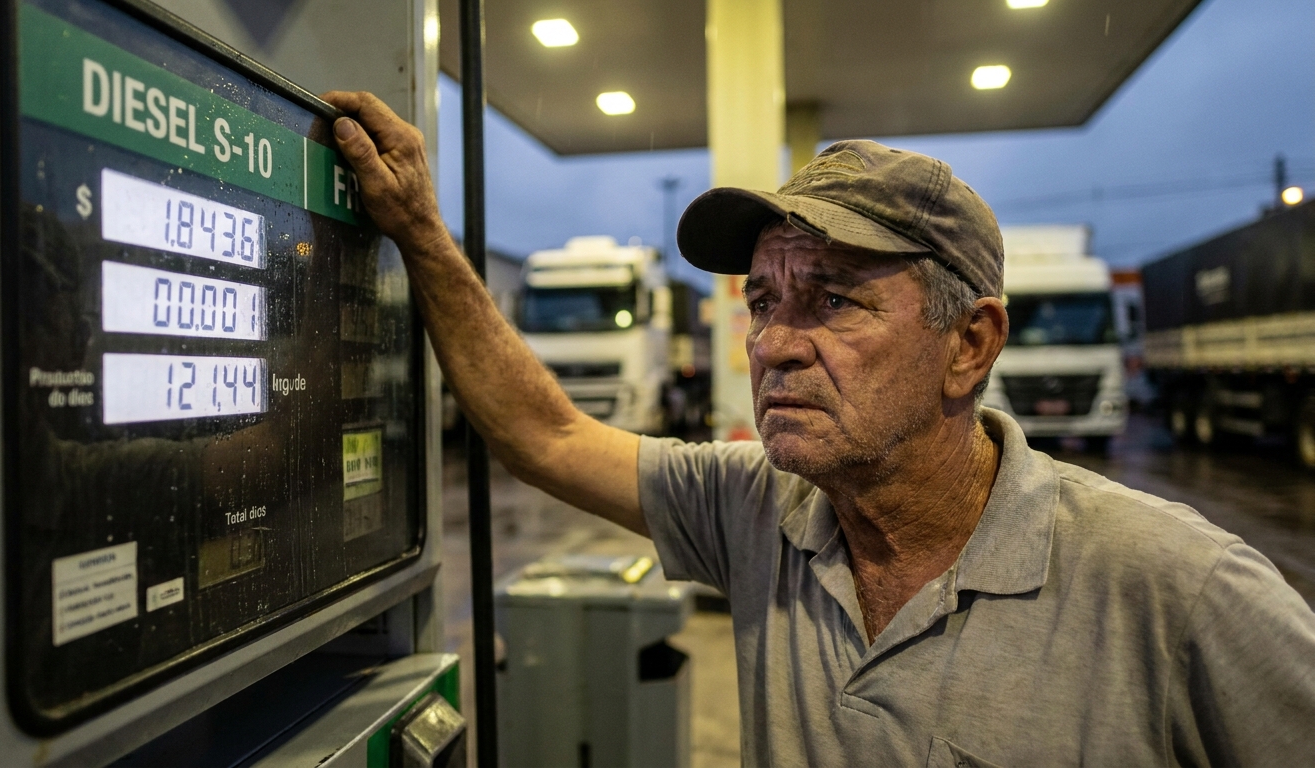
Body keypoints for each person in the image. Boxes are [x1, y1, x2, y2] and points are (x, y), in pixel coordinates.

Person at [321, 90, 1315, 766]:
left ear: (966, 345)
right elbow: (543, 437)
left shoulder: (1171, 587)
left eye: (832, 301)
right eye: (761, 301)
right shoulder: (758, 507)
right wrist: (419, 232)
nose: (773, 346)